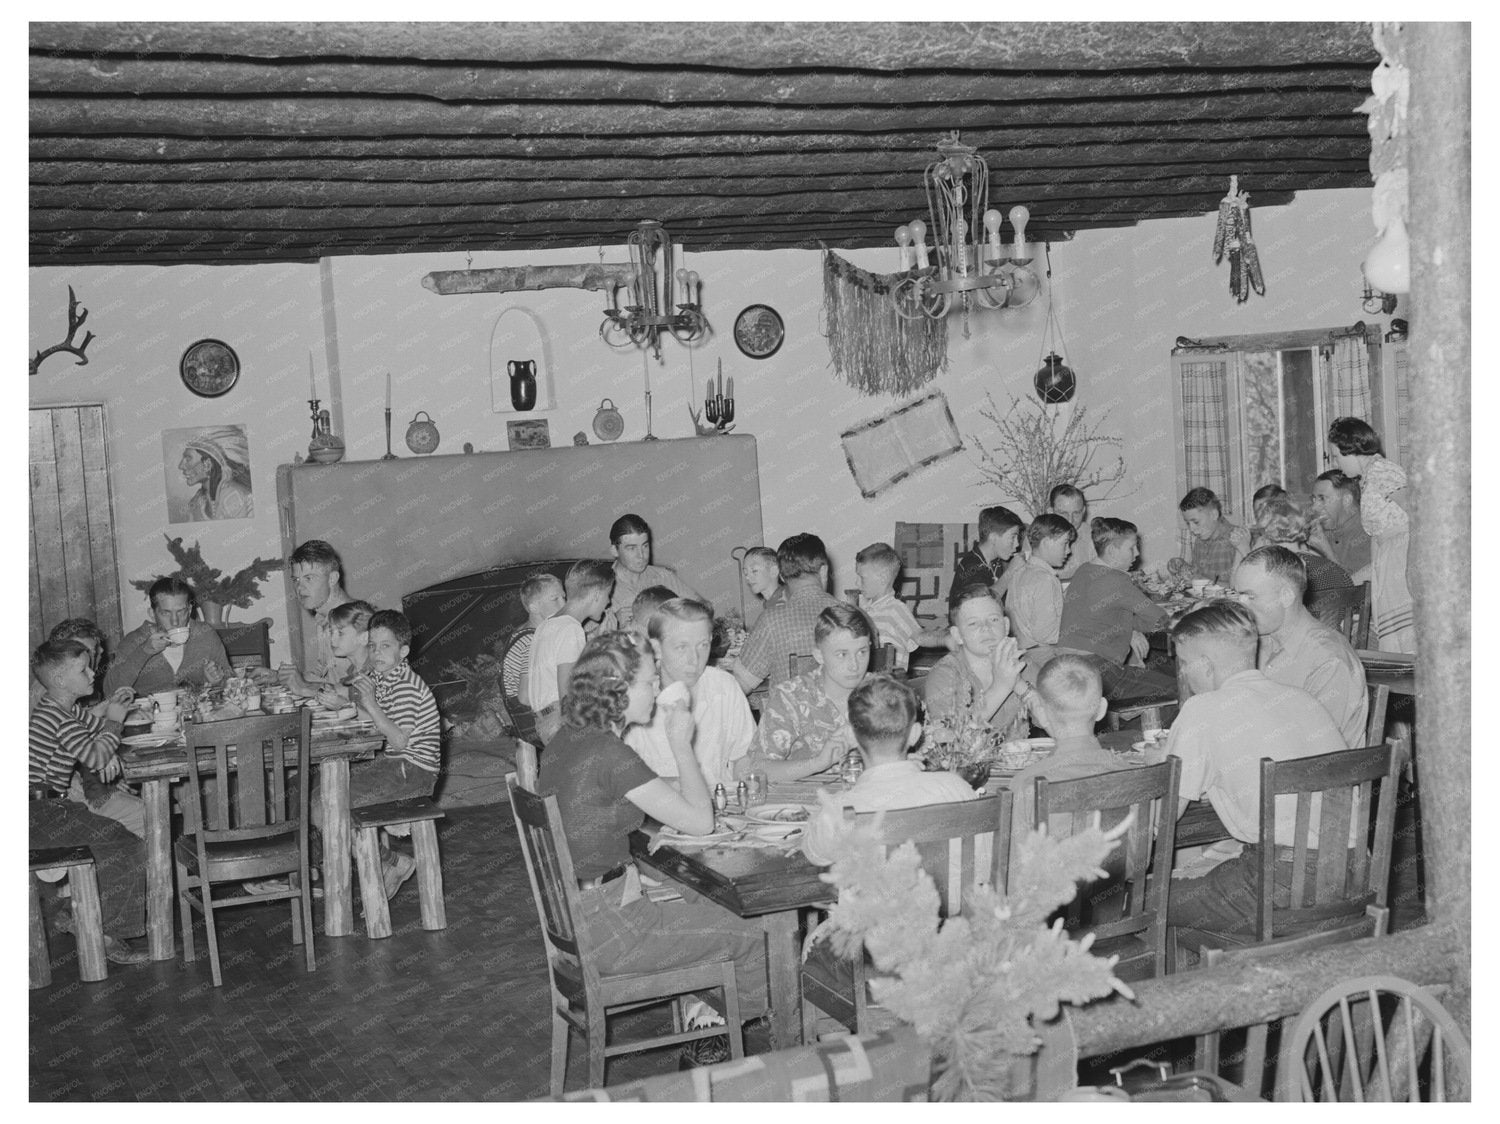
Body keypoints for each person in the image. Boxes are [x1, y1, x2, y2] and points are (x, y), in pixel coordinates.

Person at [537, 631, 769, 1024]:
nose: (657, 689)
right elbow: (701, 822)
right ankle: (727, 1027)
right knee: (756, 933)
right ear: (618, 691)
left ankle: (708, 1006)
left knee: (705, 896)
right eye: (649, 682)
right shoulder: (609, 752)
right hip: (614, 931)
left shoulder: (570, 739)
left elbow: (626, 795)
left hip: (583, 917)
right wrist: (681, 745)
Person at [1163, 601, 1350, 942]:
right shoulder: (1301, 698)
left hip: (1282, 886)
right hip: (1353, 877)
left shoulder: (1202, 709)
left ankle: (1234, 970)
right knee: (1205, 873)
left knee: (1139, 901)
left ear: (1205, 666)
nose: (1185, 674)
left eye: (1185, 664)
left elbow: (1164, 816)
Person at [29, 638, 150, 965]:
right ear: (59, 680)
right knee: (126, 845)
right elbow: (96, 753)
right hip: (40, 813)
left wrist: (113, 713)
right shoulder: (60, 719)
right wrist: (114, 722)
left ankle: (77, 915)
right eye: (83, 669)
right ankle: (108, 933)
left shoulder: (60, 710)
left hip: (45, 809)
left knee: (113, 841)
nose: (93, 673)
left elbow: (95, 727)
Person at [801, 674, 977, 865]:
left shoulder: (839, 813)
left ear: (851, 736)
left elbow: (813, 854)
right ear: (915, 734)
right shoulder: (956, 789)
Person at [348, 609, 443, 898]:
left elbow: (399, 740)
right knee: (322, 794)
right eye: (372, 646)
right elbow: (377, 721)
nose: (376, 653)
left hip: (414, 771)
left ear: (403, 651)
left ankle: (390, 862)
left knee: (332, 801)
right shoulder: (386, 678)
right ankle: (387, 862)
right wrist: (349, 702)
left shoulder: (406, 685)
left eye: (385, 646)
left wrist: (369, 703)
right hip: (397, 765)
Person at [1234, 546, 1368, 747]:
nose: (1241, 607)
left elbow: (1318, 750)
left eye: (1251, 597)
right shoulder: (1259, 642)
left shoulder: (1329, 660)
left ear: (1286, 596)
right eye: (1238, 596)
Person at [1005, 654, 1126, 860]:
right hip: (1119, 880)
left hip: (1050, 881)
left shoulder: (1026, 784)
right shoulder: (1129, 772)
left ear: (1041, 713)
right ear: (1101, 709)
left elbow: (1016, 868)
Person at [625, 598, 755, 787]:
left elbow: (744, 756)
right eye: (682, 647)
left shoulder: (724, 686)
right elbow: (628, 782)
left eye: (703, 645)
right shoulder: (636, 699)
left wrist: (747, 786)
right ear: (656, 648)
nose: (694, 659)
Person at [751, 604, 873, 782]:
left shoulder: (882, 694)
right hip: (808, 798)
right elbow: (757, 768)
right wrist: (817, 764)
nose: (854, 665)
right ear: (819, 655)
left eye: (862, 652)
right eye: (842, 654)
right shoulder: (791, 698)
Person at [1057, 518, 1174, 699]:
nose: (1137, 554)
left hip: (1065, 668)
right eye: (1131, 548)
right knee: (1176, 687)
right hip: (1097, 671)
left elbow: (1109, 617)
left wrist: (1131, 629)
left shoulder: (1084, 570)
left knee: (1158, 672)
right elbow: (1160, 619)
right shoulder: (1116, 580)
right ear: (1112, 551)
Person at [1328, 417, 1415, 653]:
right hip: (1387, 563)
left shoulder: (1382, 471)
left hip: (1401, 560)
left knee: (1410, 643)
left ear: (1350, 449)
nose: (1335, 463)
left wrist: (1411, 566)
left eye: (1336, 456)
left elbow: (1418, 516)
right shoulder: (1368, 478)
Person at [728, 533, 841, 692]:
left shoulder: (772, 621)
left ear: (781, 575)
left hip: (791, 708)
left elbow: (740, 683)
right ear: (823, 571)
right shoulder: (855, 615)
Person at [526, 559, 615, 744]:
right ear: (597, 594)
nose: (608, 602)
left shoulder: (546, 625)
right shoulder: (571, 629)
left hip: (546, 721)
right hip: (560, 723)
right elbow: (569, 696)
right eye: (608, 594)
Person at [924, 585, 1032, 736]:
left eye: (993, 619)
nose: (986, 628)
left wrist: (1021, 685)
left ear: (1006, 626)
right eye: (973, 623)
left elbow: (1059, 721)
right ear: (958, 635)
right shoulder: (944, 675)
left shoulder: (1022, 663)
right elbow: (952, 739)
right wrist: (1001, 686)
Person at [104, 576, 230, 696]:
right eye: (166, 613)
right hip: (149, 711)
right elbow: (110, 692)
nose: (175, 621)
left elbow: (230, 683)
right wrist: (144, 652)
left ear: (189, 610)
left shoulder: (206, 635)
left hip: (197, 709)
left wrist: (218, 682)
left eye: (180, 612)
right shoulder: (133, 641)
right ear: (152, 614)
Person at [603, 514, 703, 631]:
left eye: (645, 546)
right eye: (632, 548)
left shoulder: (664, 576)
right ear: (614, 551)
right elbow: (585, 638)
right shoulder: (600, 586)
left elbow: (703, 607)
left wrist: (677, 615)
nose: (641, 555)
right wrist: (612, 624)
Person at [853, 542, 943, 673]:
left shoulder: (896, 610)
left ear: (883, 578)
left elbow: (920, 637)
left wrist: (946, 639)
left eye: (861, 577)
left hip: (890, 682)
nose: (856, 582)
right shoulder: (866, 611)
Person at [280, 540, 353, 697]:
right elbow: (327, 679)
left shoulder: (356, 622)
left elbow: (362, 691)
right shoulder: (323, 616)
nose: (300, 588)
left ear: (332, 578)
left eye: (309, 578)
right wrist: (279, 677)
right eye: (296, 580)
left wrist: (304, 687)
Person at [1004, 513, 1076, 657]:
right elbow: (1046, 635)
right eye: (1065, 543)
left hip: (1020, 652)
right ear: (1046, 543)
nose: (1069, 550)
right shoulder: (1045, 580)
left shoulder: (1020, 572)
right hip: (1042, 656)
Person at [1254, 498, 1353, 599]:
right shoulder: (1332, 569)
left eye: (1262, 534)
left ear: (1267, 537)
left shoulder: (1276, 573)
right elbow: (1351, 592)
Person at [502, 573, 565, 712]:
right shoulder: (533, 641)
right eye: (555, 599)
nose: (563, 604)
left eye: (563, 597)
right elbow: (525, 697)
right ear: (534, 607)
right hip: (543, 717)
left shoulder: (524, 632)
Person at [1169, 487, 1251, 584]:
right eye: (1188, 523)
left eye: (1196, 522)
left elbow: (1241, 586)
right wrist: (1183, 567)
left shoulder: (1237, 539)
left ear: (1214, 515)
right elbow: (1197, 573)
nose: (1192, 529)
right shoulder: (1200, 539)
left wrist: (1199, 581)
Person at [950, 506, 1025, 605]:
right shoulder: (971, 567)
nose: (1017, 544)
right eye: (1012, 537)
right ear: (993, 537)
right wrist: (1011, 571)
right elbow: (984, 604)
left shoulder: (996, 560)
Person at [1307, 469, 1373, 579]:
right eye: (1314, 499)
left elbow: (1354, 586)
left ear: (1347, 500)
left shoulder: (1368, 532)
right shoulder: (1328, 530)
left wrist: (1326, 551)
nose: (1314, 508)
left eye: (1322, 498)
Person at [178, 426, 254, 521]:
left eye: (188, 458)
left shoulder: (235, 497)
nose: (180, 466)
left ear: (207, 465)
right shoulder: (197, 501)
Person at [312, 599, 376, 707]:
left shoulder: (374, 673)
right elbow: (343, 690)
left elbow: (381, 715)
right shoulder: (353, 671)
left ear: (364, 638)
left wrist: (344, 705)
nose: (332, 639)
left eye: (340, 633)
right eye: (332, 632)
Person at [1050, 484, 1095, 580]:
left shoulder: (1094, 536)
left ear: (1083, 510)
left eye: (1076, 513)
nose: (1070, 520)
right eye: (1063, 513)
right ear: (1050, 511)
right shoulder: (1039, 537)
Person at [741, 546, 784, 614]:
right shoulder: (769, 603)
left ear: (774, 571)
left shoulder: (784, 603)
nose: (747, 577)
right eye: (746, 573)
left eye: (754, 571)